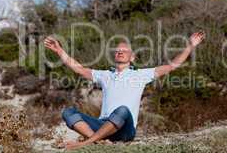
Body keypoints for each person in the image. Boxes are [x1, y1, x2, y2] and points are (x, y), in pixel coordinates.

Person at [44, 31, 205, 150]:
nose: (120, 52)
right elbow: (78, 68)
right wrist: (59, 51)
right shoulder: (105, 75)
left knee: (122, 110)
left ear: (132, 57)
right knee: (69, 112)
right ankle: (100, 142)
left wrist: (190, 46)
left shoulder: (141, 75)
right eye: (117, 51)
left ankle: (85, 144)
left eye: (124, 51)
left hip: (125, 130)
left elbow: (172, 66)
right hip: (102, 125)